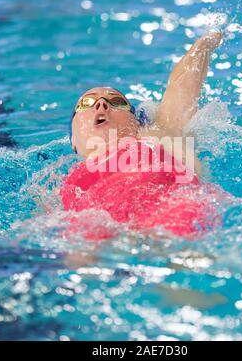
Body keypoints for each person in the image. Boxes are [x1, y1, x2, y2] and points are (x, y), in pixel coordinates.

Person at [61, 32, 223, 239]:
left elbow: (181, 87)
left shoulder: (156, 136)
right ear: (73, 141)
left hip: (168, 205)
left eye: (117, 102)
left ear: (136, 123)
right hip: (93, 216)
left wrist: (203, 45)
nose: (101, 104)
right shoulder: (61, 181)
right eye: (86, 103)